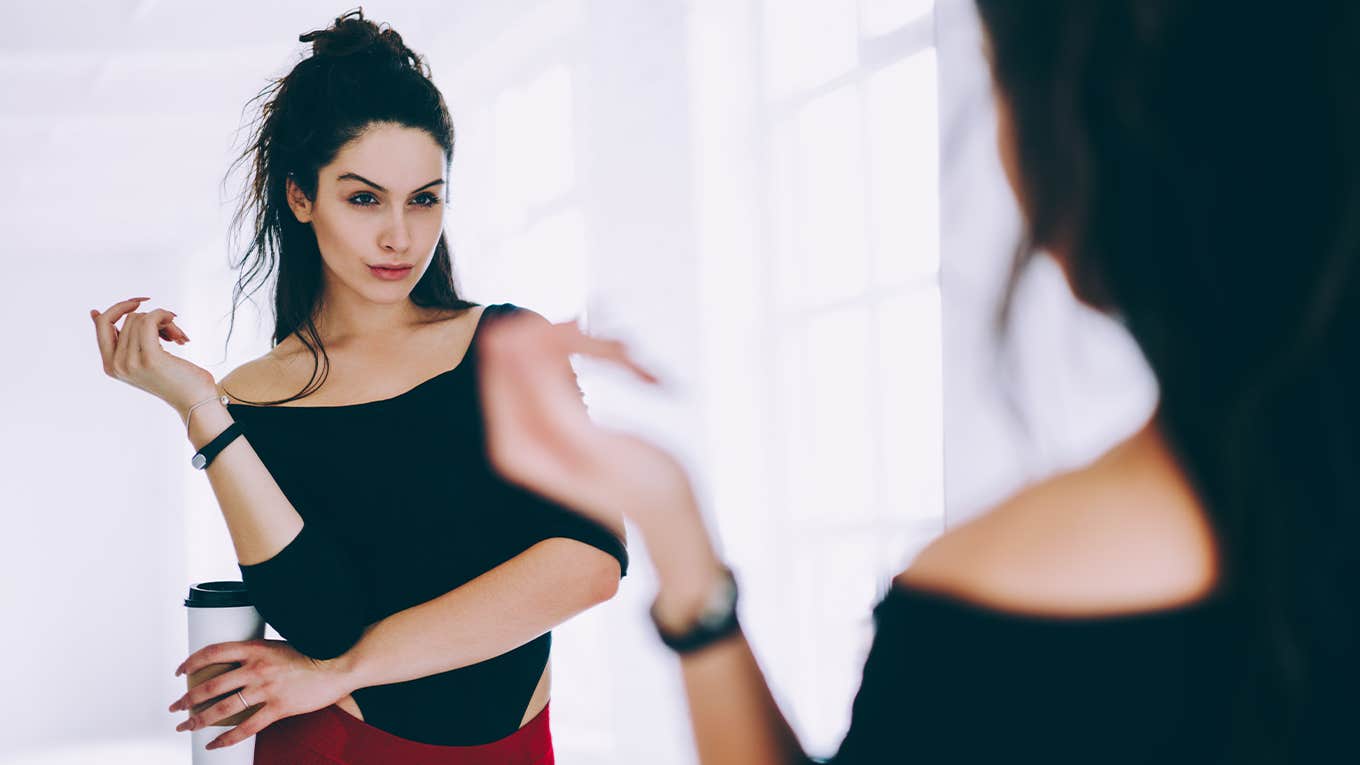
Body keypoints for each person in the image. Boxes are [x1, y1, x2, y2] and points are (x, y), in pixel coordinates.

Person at [474, 2, 1359, 762]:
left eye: (993, 76)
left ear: (1082, 140)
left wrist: (680, 548)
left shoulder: (1006, 607)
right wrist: (676, 528)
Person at [87, 10, 626, 764]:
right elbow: (322, 616)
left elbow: (591, 561)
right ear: (302, 198)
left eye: (424, 198)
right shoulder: (254, 398)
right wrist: (202, 409)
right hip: (337, 745)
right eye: (365, 198)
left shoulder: (511, 346)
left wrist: (342, 671)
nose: (400, 236)